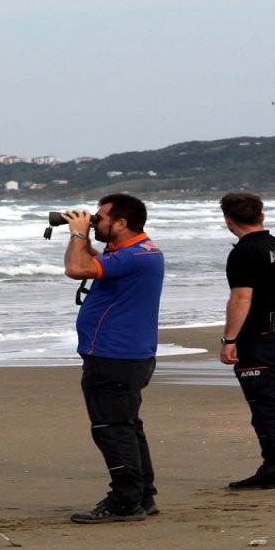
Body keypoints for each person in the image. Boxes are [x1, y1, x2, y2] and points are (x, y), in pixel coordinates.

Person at [61, 194, 165, 523]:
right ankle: (142, 495)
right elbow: (92, 262)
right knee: (127, 426)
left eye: (100, 219)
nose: (95, 223)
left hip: (113, 355)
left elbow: (76, 268)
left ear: (120, 224)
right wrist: (81, 236)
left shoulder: (134, 256)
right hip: (128, 354)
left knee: (111, 428)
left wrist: (79, 235)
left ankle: (125, 500)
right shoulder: (139, 251)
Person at [218, 192, 275, 490]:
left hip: (263, 339)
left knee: (266, 408)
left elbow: (241, 297)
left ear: (228, 221)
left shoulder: (244, 253)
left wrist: (229, 339)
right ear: (262, 216)